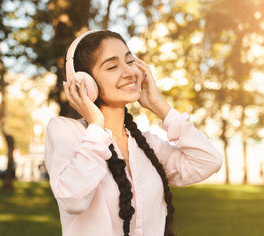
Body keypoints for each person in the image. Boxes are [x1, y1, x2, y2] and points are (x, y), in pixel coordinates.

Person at [44, 30, 222, 236]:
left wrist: (158, 104)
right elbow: (73, 199)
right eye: (112, 66)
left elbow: (209, 161)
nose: (128, 72)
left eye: (130, 61)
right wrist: (97, 125)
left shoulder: (148, 145)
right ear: (85, 82)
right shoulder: (66, 131)